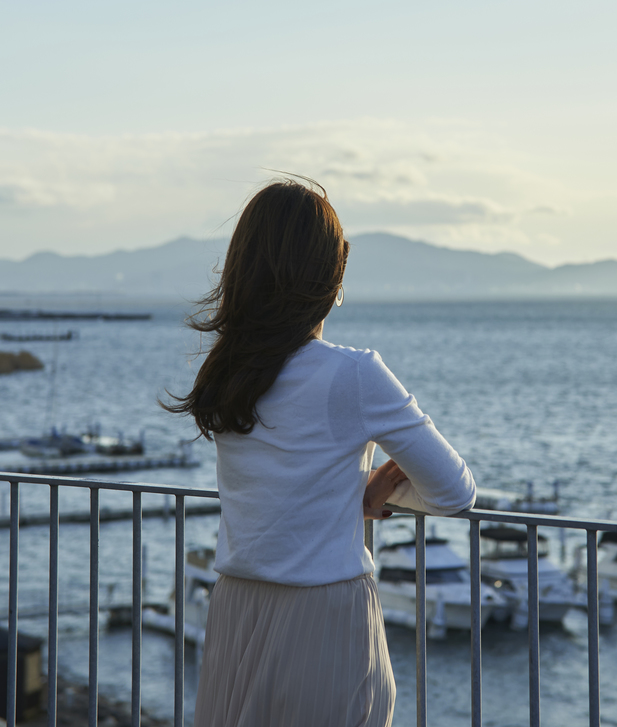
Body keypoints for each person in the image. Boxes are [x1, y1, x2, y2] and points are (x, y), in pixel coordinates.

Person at [166, 179, 477, 727]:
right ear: (329, 280)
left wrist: (363, 484)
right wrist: (387, 478)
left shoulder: (227, 372)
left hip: (237, 608)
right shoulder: (353, 374)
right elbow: (454, 491)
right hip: (323, 616)